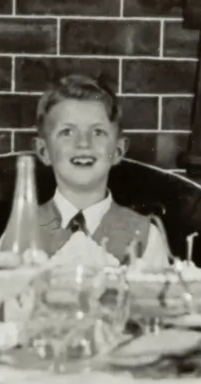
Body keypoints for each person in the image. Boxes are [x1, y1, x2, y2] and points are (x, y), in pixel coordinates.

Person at [32, 74, 167, 261]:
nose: (83, 143)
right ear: (44, 150)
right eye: (67, 132)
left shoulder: (145, 236)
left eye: (98, 132)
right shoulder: (22, 231)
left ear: (118, 150)